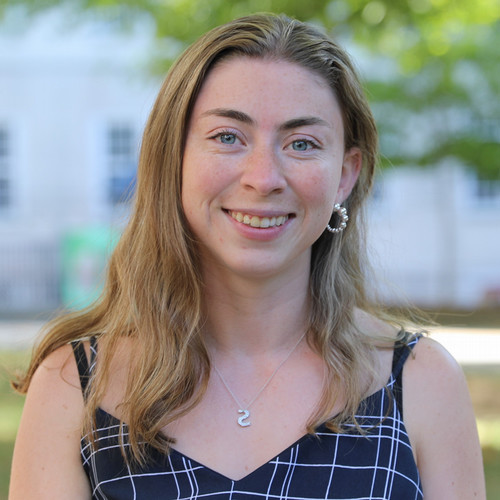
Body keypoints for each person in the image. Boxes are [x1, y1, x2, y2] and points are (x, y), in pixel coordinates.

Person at [9, 13, 485, 500]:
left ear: (345, 174)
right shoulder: (75, 386)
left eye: (302, 143)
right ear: (174, 159)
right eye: (227, 137)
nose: (264, 178)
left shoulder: (420, 383)